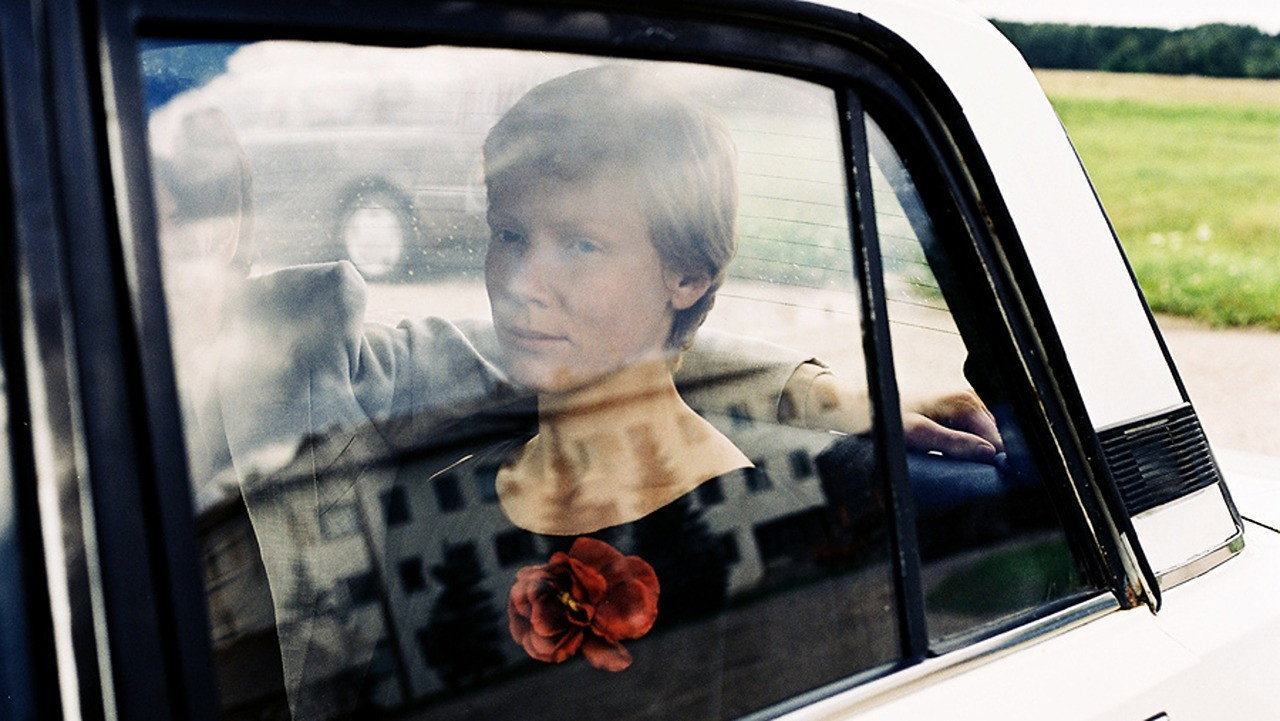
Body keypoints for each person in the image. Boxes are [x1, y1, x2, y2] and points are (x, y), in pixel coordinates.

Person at [202, 64, 1003, 718]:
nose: (520, 282)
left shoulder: (777, 527)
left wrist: (821, 393)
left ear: (689, 272)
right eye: (507, 235)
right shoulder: (428, 500)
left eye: (580, 244)